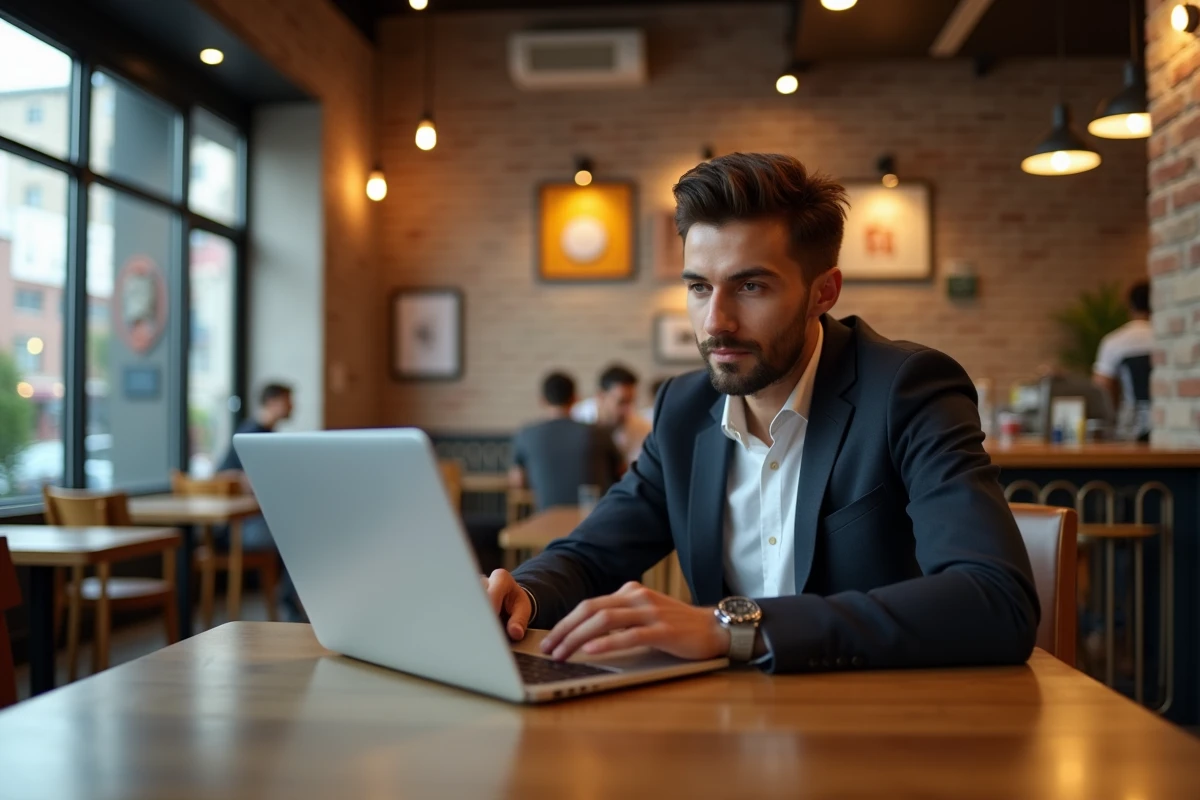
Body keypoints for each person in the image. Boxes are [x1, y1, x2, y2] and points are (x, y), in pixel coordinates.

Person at [484, 153, 1039, 673]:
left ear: (824, 292)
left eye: (750, 286)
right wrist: (521, 597)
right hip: (729, 732)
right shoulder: (683, 409)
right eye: (699, 287)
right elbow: (590, 555)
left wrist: (734, 629)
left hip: (882, 724)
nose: (715, 321)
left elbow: (995, 597)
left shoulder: (907, 390)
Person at [216, 382, 304, 621]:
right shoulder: (251, 435)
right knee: (299, 535)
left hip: (249, 523)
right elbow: (233, 479)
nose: (293, 406)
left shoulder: (266, 435)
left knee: (300, 531)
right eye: (289, 400)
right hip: (235, 529)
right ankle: (291, 604)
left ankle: (293, 602)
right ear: (273, 402)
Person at [510, 372, 623, 511]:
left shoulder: (526, 435)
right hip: (592, 520)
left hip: (545, 522)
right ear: (575, 399)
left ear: (542, 400)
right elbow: (620, 474)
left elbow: (518, 481)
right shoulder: (598, 433)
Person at [1093, 281, 1153, 442]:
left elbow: (1101, 388)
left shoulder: (1115, 341)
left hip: (1131, 422)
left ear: (1131, 306)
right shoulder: (1166, 337)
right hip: (1167, 417)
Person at [571, 365, 653, 467]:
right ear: (600, 397)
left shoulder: (643, 429)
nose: (628, 410)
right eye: (621, 402)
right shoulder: (574, 419)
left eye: (631, 402)